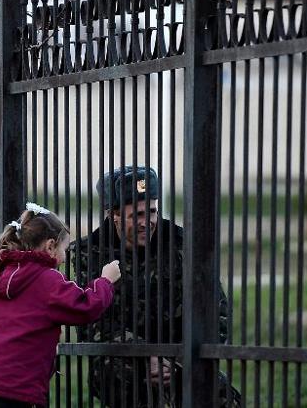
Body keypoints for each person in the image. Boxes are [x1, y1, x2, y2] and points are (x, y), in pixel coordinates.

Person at [73, 166, 240, 407]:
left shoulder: (183, 244)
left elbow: (216, 312)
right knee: (123, 375)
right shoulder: (89, 254)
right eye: (136, 215)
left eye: (151, 212)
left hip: (182, 357)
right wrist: (146, 355)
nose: (147, 222)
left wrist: (176, 360)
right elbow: (92, 322)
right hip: (123, 362)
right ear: (114, 215)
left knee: (223, 396)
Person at [0, 202, 122, 408]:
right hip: (18, 389)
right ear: (50, 246)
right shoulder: (46, 279)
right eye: (64, 249)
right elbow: (85, 306)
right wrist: (105, 281)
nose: (64, 259)